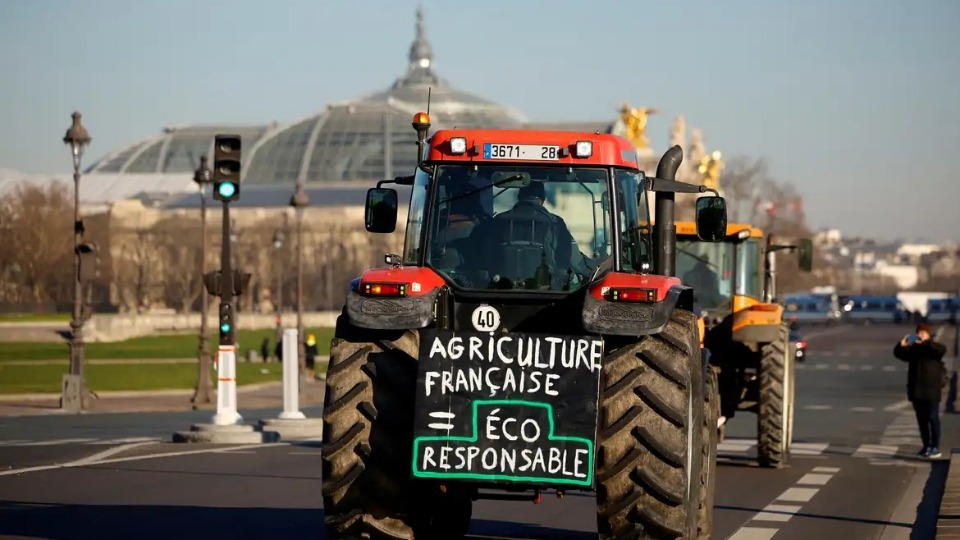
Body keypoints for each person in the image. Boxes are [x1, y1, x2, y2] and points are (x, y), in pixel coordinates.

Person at [893, 323, 948, 458]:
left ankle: (935, 446)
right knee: (921, 419)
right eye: (919, 333)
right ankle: (926, 445)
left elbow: (941, 350)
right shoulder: (914, 350)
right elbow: (899, 354)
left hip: (931, 389)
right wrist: (902, 344)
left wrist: (926, 342)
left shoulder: (933, 349)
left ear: (929, 335)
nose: (920, 335)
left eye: (923, 333)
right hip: (916, 390)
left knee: (932, 418)